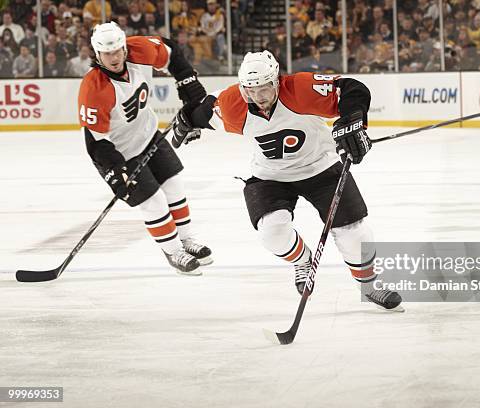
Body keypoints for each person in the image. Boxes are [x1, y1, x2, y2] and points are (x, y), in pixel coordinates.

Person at [173, 50, 403, 310]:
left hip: (321, 167)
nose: (258, 97)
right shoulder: (233, 104)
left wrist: (353, 120)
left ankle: (369, 286)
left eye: (264, 89)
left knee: (354, 232)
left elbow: (353, 89)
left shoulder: (301, 89)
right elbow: (205, 111)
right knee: (272, 232)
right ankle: (303, 260)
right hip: (270, 176)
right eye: (250, 90)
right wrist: (185, 120)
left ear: (277, 81)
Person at [78, 22, 213, 274]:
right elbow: (96, 141)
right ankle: (173, 251)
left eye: (118, 50)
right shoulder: (94, 88)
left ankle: (186, 240)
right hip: (119, 152)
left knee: (173, 185)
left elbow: (170, 51)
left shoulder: (137, 50)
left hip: (148, 133)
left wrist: (186, 79)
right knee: (153, 201)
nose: (115, 57)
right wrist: (114, 170)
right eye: (107, 53)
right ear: (98, 55)